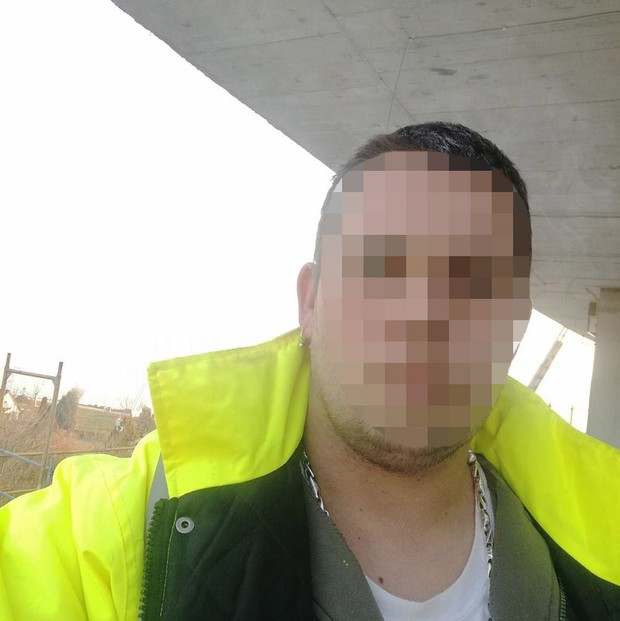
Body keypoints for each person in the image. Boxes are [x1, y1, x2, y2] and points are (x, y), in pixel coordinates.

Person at [1, 122, 618, 620]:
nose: (423, 311)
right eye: (382, 264)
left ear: (514, 326)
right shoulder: (123, 529)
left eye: (472, 279)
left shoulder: (604, 546)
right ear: (310, 303)